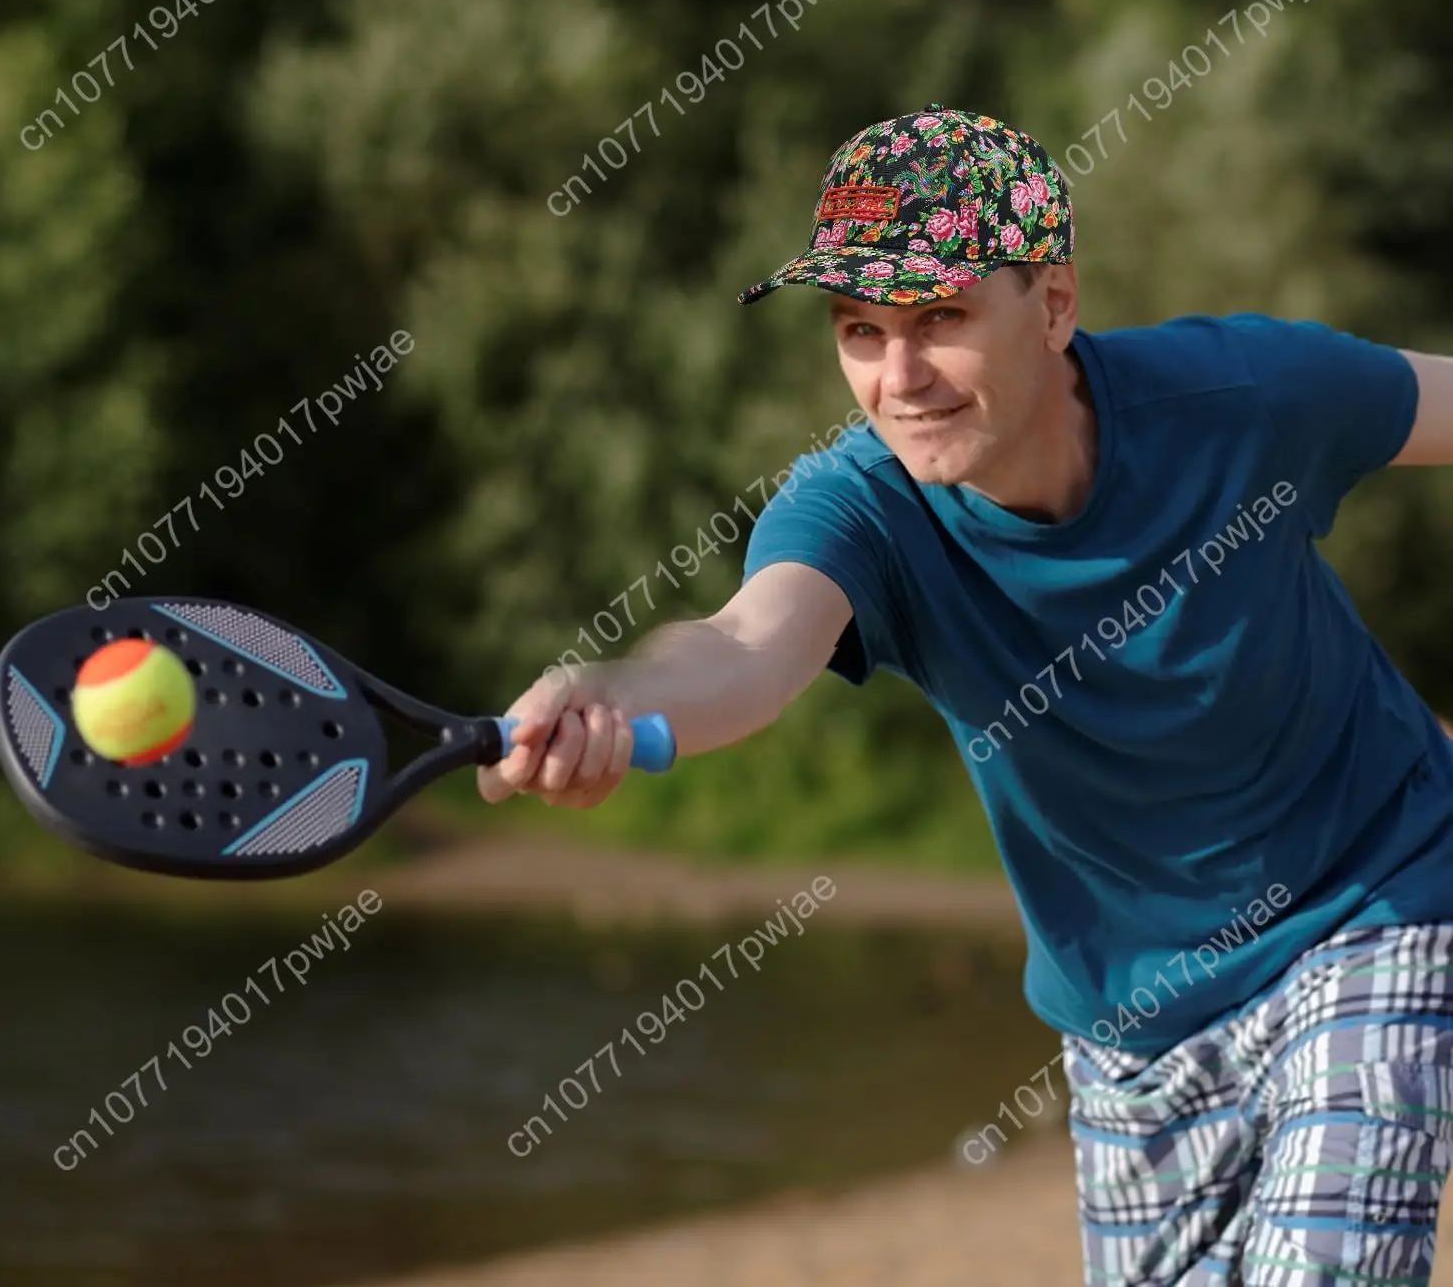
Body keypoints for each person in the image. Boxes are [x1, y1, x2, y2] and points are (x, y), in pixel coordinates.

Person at [478, 104, 1453, 1285]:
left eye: (939, 317)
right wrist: (608, 693)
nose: (899, 377)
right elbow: (744, 648)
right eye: (859, 329)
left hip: (1374, 904)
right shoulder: (862, 508)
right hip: (1132, 1025)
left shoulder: (1242, 397)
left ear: (1052, 305)